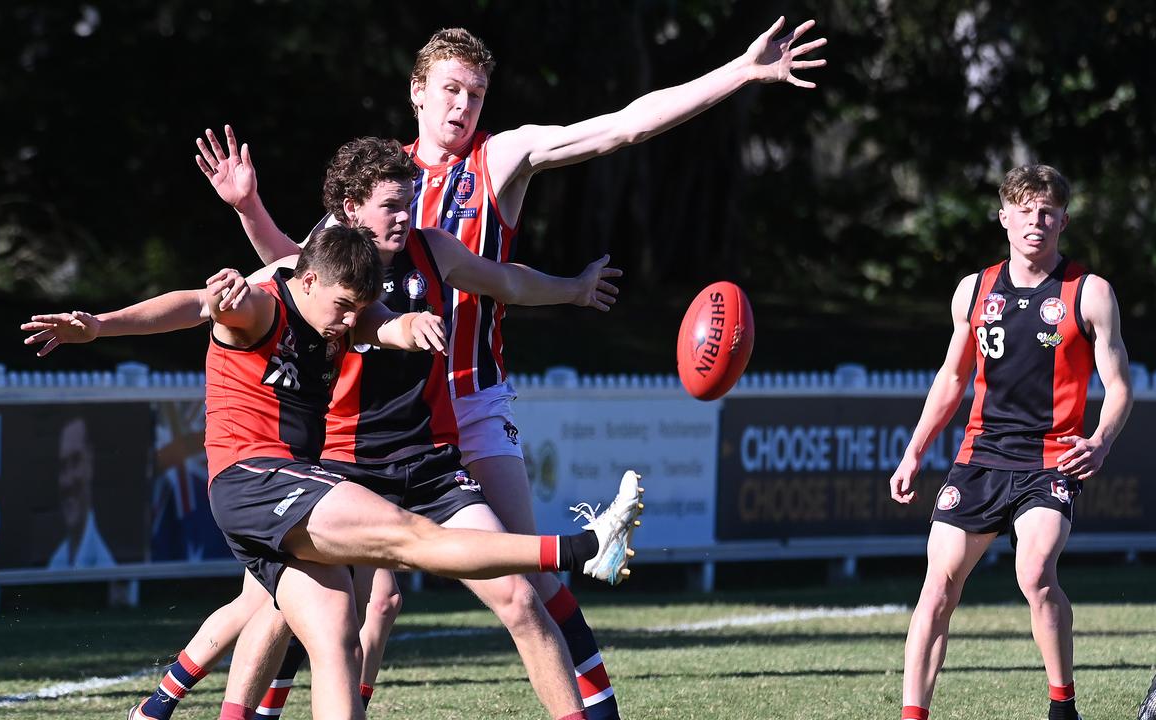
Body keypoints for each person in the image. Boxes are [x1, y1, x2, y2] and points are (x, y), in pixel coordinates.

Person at [198, 18, 825, 718]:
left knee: (522, 585)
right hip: (362, 418)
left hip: (467, 401)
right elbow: (294, 275)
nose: (463, 105)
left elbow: (620, 128)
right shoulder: (376, 183)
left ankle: (596, 701)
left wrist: (737, 73)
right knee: (336, 600)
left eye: (476, 92)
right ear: (417, 93)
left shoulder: (498, 160)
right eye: (451, 90)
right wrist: (248, 208)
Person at [22, 153, 634, 720]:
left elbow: (381, 321)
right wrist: (98, 324)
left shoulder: (372, 287)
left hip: (371, 468)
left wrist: (411, 324)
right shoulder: (272, 300)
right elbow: (199, 303)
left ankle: (172, 706)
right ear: (312, 271)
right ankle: (580, 548)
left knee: (337, 627)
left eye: (409, 200)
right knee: (398, 549)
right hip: (282, 474)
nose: (348, 323)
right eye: (391, 204)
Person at [887, 165, 1134, 720]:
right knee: (937, 588)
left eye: (1047, 212)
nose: (1035, 222)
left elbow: (1119, 387)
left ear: (1063, 221)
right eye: (1024, 210)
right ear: (1004, 218)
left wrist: (1101, 439)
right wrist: (914, 452)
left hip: (1051, 459)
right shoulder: (973, 290)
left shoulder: (1088, 293)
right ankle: (912, 715)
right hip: (979, 457)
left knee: (1035, 573)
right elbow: (951, 379)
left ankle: (1061, 705)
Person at [48, 416, 116, 568]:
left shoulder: (104, 566)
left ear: (90, 463)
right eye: (62, 466)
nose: (67, 481)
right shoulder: (55, 563)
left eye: (76, 461)